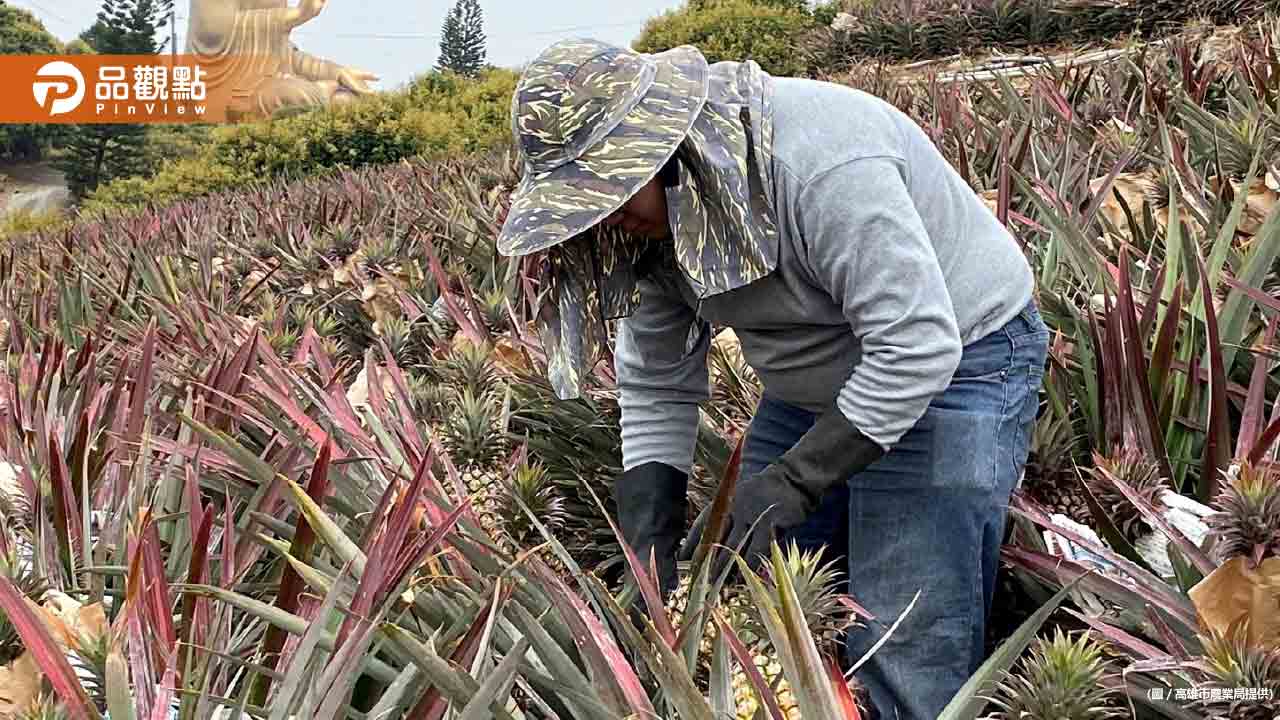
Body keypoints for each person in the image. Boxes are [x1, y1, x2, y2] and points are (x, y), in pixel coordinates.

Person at [495, 38, 1048, 720]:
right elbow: (658, 381)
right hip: (812, 382)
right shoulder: (652, 220)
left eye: (607, 189)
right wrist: (650, 519)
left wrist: (797, 478)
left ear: (663, 148)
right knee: (745, 582)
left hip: (960, 359)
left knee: (904, 631)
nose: (604, 215)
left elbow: (915, 347)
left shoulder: (819, 163)